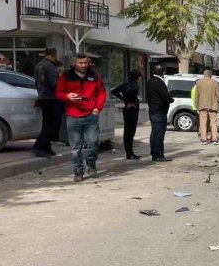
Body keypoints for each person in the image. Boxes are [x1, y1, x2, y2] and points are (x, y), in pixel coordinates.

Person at [55, 54, 106, 182]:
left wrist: (97, 108)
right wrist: (67, 96)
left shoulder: (94, 75)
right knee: (75, 147)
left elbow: (102, 92)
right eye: (80, 63)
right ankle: (78, 170)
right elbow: (58, 93)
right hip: (73, 114)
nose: (84, 65)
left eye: (85, 63)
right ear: (74, 63)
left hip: (90, 114)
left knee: (93, 142)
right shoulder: (66, 75)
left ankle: (91, 161)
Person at [32, 48, 63, 157]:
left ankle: (46, 147)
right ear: (52, 55)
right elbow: (55, 84)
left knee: (47, 123)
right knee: (52, 125)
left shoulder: (39, 65)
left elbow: (37, 83)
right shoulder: (50, 67)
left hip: (43, 97)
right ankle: (39, 147)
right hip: (52, 98)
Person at [111, 68, 142, 160]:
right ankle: (130, 153)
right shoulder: (134, 85)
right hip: (132, 109)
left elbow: (114, 91)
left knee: (128, 131)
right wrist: (130, 102)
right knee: (130, 132)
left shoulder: (125, 84)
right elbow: (129, 93)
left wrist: (123, 99)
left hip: (127, 108)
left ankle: (129, 153)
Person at [146, 64, 173, 162]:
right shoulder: (159, 82)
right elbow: (165, 96)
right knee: (158, 134)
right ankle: (158, 155)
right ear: (163, 72)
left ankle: (155, 153)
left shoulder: (150, 81)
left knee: (154, 133)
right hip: (159, 111)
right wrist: (171, 99)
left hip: (153, 110)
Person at [193, 69, 219, 145]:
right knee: (213, 122)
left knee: (203, 123)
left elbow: (196, 95)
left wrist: (196, 105)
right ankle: (214, 139)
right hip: (213, 105)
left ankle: (204, 139)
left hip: (202, 105)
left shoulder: (198, 83)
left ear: (204, 75)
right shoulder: (215, 82)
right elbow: (218, 95)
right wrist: (217, 101)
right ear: (211, 75)